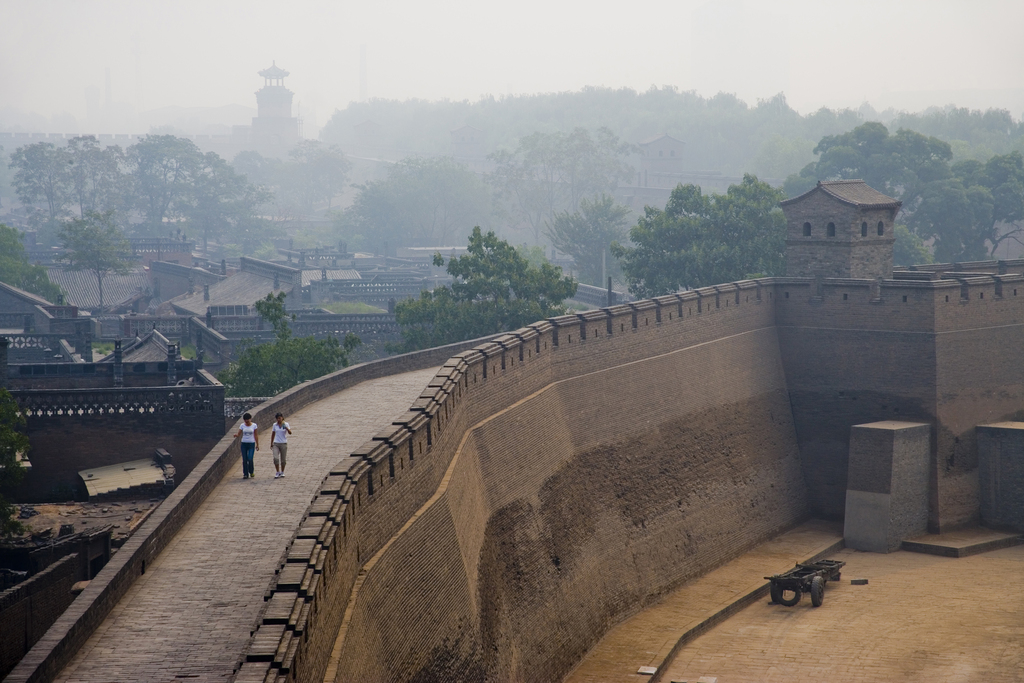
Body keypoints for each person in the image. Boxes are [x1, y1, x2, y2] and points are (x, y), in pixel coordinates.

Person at [235, 413, 259, 479]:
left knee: (250, 459)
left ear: (250, 419)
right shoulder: (242, 425)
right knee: (244, 459)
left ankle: (251, 471)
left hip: (251, 443)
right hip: (244, 443)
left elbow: (256, 435)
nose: (246, 421)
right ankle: (245, 474)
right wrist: (236, 435)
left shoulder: (254, 425)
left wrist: (257, 444)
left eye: (247, 419)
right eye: (245, 420)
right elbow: (239, 434)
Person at [270, 412, 292, 478]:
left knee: (283, 459)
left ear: (282, 418)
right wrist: (271, 443)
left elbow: (290, 433)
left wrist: (286, 428)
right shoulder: (275, 425)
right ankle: (277, 472)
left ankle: (282, 471)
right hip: (276, 443)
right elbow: (273, 433)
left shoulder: (286, 424)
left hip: (283, 443)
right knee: (276, 458)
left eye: (279, 418)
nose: (279, 420)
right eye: (277, 418)